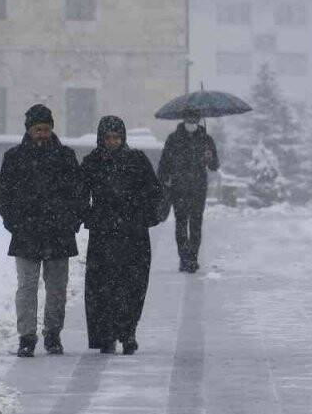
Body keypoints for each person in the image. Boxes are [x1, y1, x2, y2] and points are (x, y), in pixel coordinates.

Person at [0, 104, 86, 358]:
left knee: (57, 288)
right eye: (38, 129)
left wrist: (72, 220)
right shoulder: (14, 157)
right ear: (29, 130)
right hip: (26, 233)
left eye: (46, 129)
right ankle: (26, 337)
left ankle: (53, 334)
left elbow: (78, 192)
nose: (42, 134)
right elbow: (3, 193)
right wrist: (13, 221)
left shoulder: (66, 156)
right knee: (27, 287)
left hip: (58, 232)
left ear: (52, 129)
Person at [81, 116, 164, 355]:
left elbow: (154, 192)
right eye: (107, 138)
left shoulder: (137, 161)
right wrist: (89, 216)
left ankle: (127, 331)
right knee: (102, 286)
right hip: (104, 233)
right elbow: (78, 193)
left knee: (133, 284)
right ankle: (105, 334)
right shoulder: (92, 162)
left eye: (116, 137)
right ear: (101, 138)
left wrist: (146, 216)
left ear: (123, 137)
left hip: (133, 233)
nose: (112, 142)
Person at [157, 111, 219, 273]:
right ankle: (184, 259)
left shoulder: (206, 140)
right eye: (188, 119)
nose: (191, 123)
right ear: (184, 120)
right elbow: (164, 163)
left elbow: (214, 166)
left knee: (196, 224)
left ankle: (193, 258)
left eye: (194, 120)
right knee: (181, 224)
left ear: (199, 121)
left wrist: (209, 157)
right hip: (179, 189)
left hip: (198, 188)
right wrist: (163, 181)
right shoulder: (174, 139)